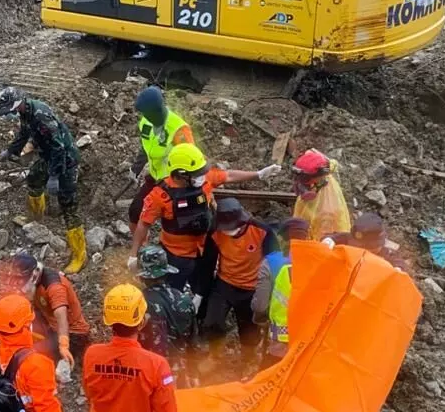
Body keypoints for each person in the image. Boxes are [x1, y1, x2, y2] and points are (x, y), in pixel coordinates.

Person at [127, 143, 282, 293]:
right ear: (180, 175)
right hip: (177, 254)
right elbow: (143, 224)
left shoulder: (202, 178)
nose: (202, 176)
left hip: (206, 248)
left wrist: (259, 174)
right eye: (197, 174)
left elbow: (228, 175)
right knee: (175, 289)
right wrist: (134, 254)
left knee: (203, 287)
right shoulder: (159, 196)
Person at [0, 87, 87, 274]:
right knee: (34, 180)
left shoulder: (40, 115)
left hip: (65, 160)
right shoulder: (25, 112)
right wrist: (11, 150)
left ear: (15, 105)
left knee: (67, 205)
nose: (8, 115)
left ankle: (80, 255)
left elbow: (59, 147)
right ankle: (36, 219)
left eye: (8, 110)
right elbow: (24, 134)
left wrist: (54, 177)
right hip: (48, 156)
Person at [203, 198, 278, 351]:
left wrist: (269, 292)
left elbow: (273, 262)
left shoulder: (262, 231)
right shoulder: (215, 232)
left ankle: (248, 358)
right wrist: (201, 290)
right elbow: (208, 261)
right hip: (224, 283)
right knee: (212, 321)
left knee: (249, 330)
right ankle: (215, 353)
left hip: (251, 287)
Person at [0, 251, 92, 368]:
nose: (17, 283)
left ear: (34, 274)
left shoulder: (54, 287)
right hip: (50, 322)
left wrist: (63, 345)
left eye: (20, 279)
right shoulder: (35, 282)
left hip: (72, 333)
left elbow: (61, 316)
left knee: (30, 353)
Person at [128, 86, 195, 232]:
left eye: (147, 114)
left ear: (157, 111)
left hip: (174, 184)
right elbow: (146, 147)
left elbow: (190, 161)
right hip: (155, 177)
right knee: (135, 212)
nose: (144, 117)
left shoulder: (178, 129)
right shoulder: (146, 122)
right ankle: (141, 249)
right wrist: (135, 169)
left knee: (172, 220)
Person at [252, 217, 309, 362]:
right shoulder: (321, 260)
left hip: (280, 345)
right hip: (311, 341)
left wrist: (260, 319)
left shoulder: (270, 263)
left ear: (282, 240)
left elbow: (260, 306)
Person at [134, 245, 197, 358]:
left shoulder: (139, 303)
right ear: (166, 272)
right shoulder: (185, 300)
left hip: (151, 370)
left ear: (142, 277)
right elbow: (193, 344)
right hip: (180, 371)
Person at [291, 149, 351, 241]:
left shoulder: (329, 199)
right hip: (310, 204)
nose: (303, 183)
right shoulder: (307, 171)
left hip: (325, 212)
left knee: (325, 220)